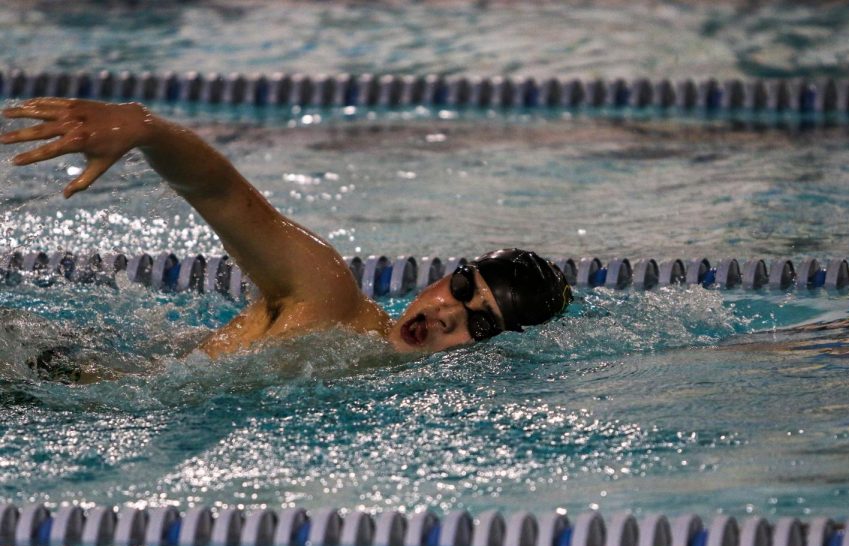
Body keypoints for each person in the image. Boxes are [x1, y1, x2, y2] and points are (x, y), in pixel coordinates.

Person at [1, 98, 572, 359]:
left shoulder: (364, 369)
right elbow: (224, 195)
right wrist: (146, 130)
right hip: (46, 377)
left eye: (480, 324)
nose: (449, 313)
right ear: (447, 277)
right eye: (465, 290)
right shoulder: (329, 298)